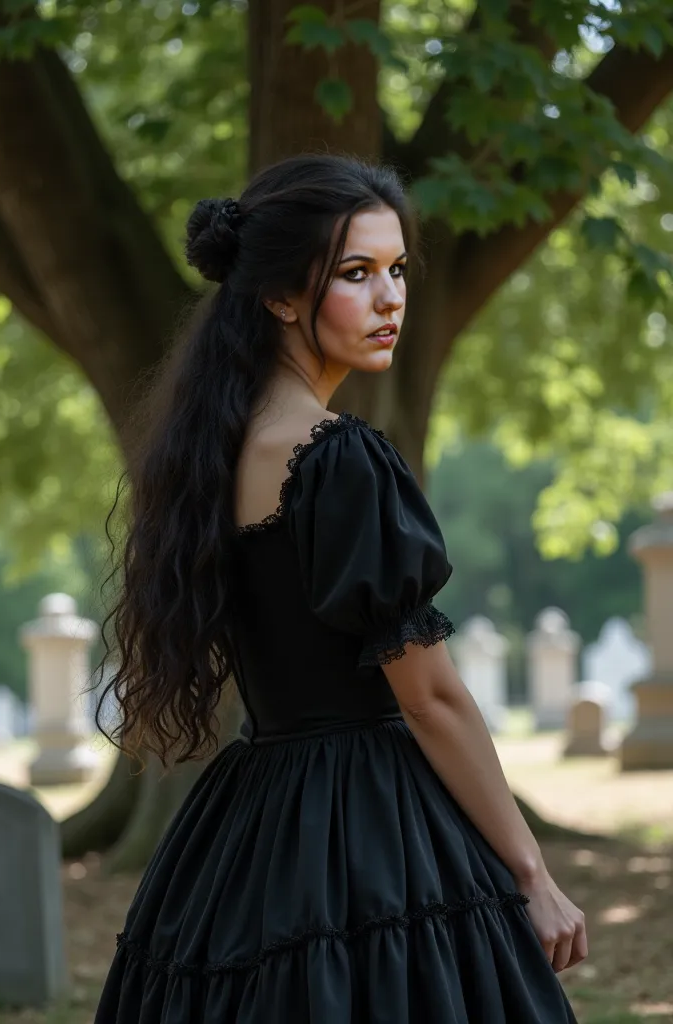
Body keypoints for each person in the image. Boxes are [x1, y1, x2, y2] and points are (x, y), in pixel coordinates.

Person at [94, 153, 585, 1022]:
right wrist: (531, 872)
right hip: (374, 827)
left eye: (397, 270)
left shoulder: (213, 451)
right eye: (356, 274)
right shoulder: (335, 457)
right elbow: (430, 695)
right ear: (282, 296)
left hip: (249, 829)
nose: (391, 298)